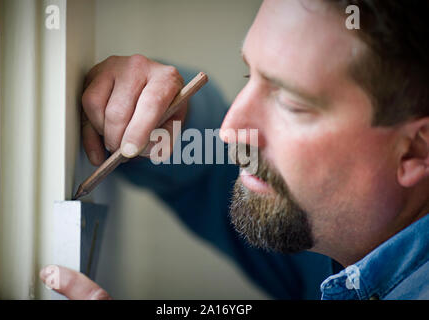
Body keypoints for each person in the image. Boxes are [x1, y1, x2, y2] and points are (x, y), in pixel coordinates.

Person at [40, 0, 429, 300]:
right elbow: (219, 175)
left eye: (291, 103)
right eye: (250, 75)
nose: (229, 131)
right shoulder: (334, 223)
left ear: (413, 151)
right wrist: (160, 112)